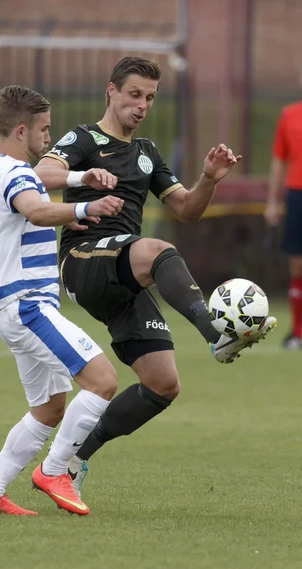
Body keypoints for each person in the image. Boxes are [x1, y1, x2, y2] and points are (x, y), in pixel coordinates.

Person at [35, 56, 277, 494]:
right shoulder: (85, 138)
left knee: (163, 384)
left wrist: (208, 179)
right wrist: (80, 174)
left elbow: (186, 210)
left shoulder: (146, 152)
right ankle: (214, 333)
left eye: (149, 97)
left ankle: (68, 464)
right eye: (134, 95)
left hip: (124, 270)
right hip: (85, 259)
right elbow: (41, 173)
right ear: (111, 90)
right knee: (157, 250)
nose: (142, 105)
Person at [0, 85, 124, 516]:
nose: (48, 140)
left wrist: (77, 181)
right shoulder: (17, 177)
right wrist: (83, 209)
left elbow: (28, 211)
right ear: (21, 131)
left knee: (50, 408)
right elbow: (35, 209)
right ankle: (55, 471)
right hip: (28, 304)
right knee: (103, 380)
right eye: (44, 130)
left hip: (14, 304)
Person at [265, 98, 302, 350]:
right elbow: (279, 160)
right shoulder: (289, 115)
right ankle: (298, 332)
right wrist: (272, 202)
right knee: (297, 263)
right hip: (297, 194)